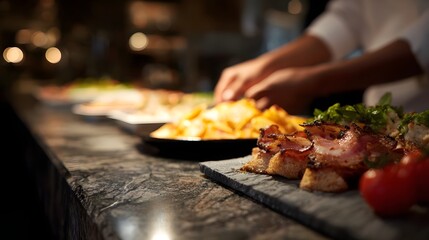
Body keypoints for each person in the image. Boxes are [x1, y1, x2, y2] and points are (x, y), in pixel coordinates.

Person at [214, 0, 429, 115]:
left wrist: (314, 82)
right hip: (381, 116)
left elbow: (424, 43)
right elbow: (349, 17)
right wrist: (266, 65)